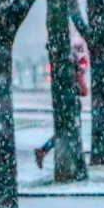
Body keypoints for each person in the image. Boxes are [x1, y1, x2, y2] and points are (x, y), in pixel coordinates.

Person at [34, 37, 90, 169]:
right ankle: (46, 151)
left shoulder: (63, 61)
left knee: (63, 131)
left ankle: (45, 150)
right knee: (67, 132)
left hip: (63, 102)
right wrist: (83, 88)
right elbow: (82, 88)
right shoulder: (79, 63)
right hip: (72, 103)